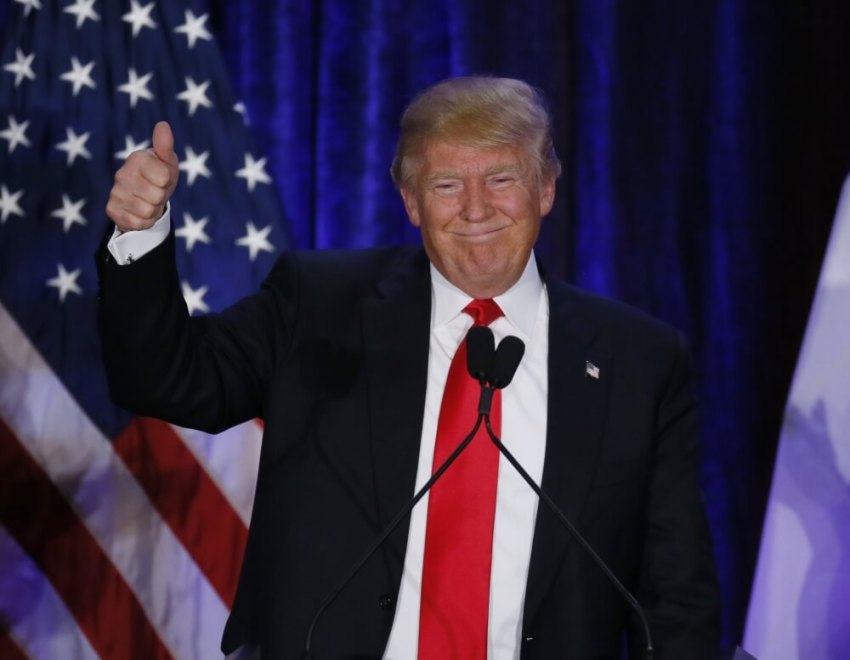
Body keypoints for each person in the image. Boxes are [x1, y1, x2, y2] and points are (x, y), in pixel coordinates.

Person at [100, 76, 720, 659]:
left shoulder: (638, 362)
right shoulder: (318, 305)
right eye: (447, 184)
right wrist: (141, 233)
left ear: (546, 190)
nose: (476, 208)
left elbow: (676, 593)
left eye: (502, 177)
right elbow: (169, 379)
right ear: (411, 202)